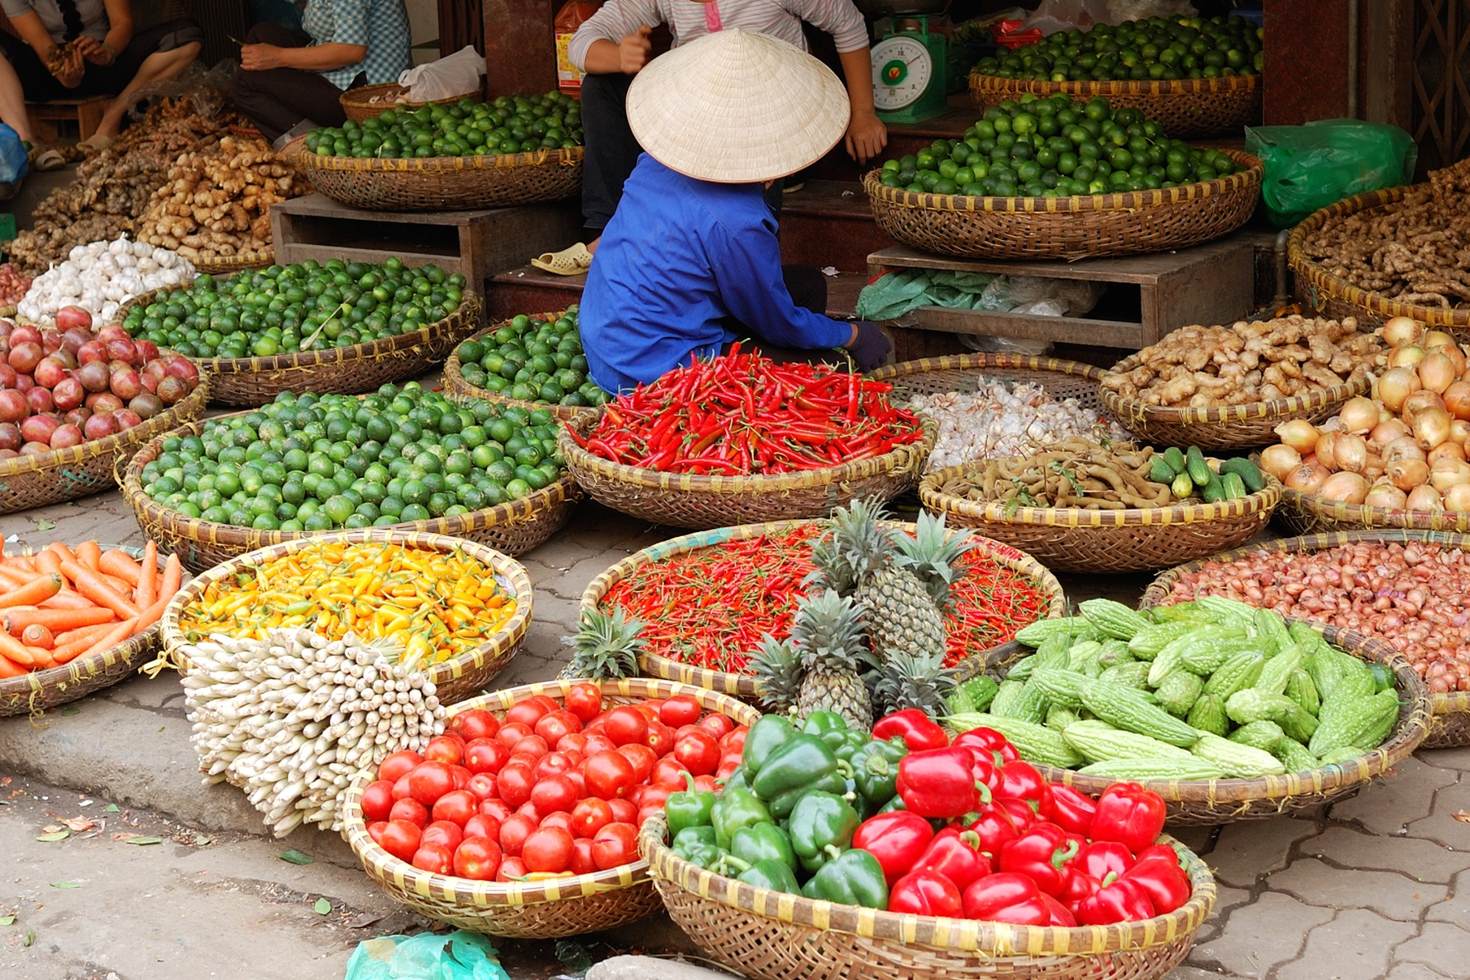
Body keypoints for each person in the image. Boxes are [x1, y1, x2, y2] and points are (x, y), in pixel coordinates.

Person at [578, 30, 892, 394]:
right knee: (832, 371)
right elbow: (776, 321)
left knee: (806, 285)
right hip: (657, 370)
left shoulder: (654, 163)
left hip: (610, 337)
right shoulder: (737, 221)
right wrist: (852, 334)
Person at [533, 0, 886, 275]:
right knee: (601, 85)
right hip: (699, 128)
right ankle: (608, 229)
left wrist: (863, 113)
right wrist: (618, 56)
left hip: (777, 127)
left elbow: (848, 23)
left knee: (740, 150)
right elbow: (582, 42)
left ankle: (638, 242)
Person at [0, 0, 201, 164]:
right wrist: (64, 73)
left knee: (186, 35)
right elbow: (44, 48)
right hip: (46, 71)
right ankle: (25, 141)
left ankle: (113, 115)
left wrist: (107, 52)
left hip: (102, 62)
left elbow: (122, 23)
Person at [229, 0, 411, 144]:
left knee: (245, 82)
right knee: (262, 34)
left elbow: (351, 49)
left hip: (364, 96)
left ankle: (315, 144)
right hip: (338, 75)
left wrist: (278, 57)